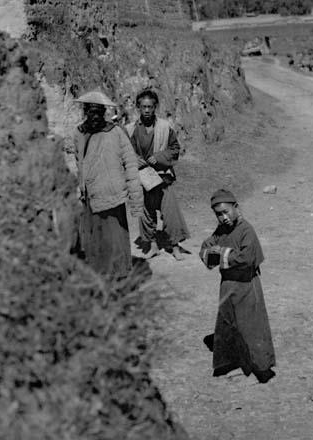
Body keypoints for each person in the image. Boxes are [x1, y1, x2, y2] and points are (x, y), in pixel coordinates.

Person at [199, 188, 276, 383]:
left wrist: (221, 251)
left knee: (251, 326)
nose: (223, 217)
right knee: (230, 324)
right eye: (218, 214)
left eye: (226, 212)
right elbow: (206, 246)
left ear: (236, 207)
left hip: (246, 285)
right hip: (227, 285)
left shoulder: (246, 230)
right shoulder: (222, 230)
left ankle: (262, 370)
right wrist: (212, 250)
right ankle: (239, 364)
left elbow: (247, 258)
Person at [74, 89, 143, 278]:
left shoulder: (116, 132)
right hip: (90, 197)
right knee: (93, 239)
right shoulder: (79, 133)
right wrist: (81, 186)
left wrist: (136, 199)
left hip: (112, 196)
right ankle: (98, 275)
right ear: (85, 112)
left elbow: (130, 163)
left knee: (115, 238)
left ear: (104, 113)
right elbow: (79, 161)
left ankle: (120, 277)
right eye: (90, 112)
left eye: (98, 112)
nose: (94, 116)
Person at [126, 89, 190, 260]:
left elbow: (175, 149)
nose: (147, 110)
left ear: (155, 107)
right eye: (143, 107)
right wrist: (135, 159)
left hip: (162, 177)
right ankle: (153, 245)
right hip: (143, 178)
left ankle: (175, 246)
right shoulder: (130, 129)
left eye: (150, 107)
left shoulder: (165, 127)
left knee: (170, 212)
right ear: (138, 107)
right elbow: (125, 151)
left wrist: (160, 157)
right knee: (146, 212)